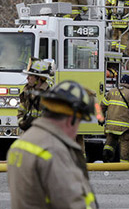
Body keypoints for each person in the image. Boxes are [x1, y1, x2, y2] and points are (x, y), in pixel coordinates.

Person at [7, 80, 98, 209]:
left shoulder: (23, 143)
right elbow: (71, 203)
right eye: (78, 122)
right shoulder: (53, 150)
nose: (76, 130)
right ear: (70, 119)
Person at [101, 74, 129, 162]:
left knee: (110, 140)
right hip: (124, 127)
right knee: (125, 144)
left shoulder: (111, 92)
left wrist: (100, 118)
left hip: (110, 126)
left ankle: (107, 154)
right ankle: (124, 164)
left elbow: (102, 106)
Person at [17, 58, 53, 131]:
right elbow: (21, 112)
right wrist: (22, 123)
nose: (27, 78)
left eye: (30, 76)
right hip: (28, 133)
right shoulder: (27, 91)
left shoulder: (50, 94)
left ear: (38, 78)